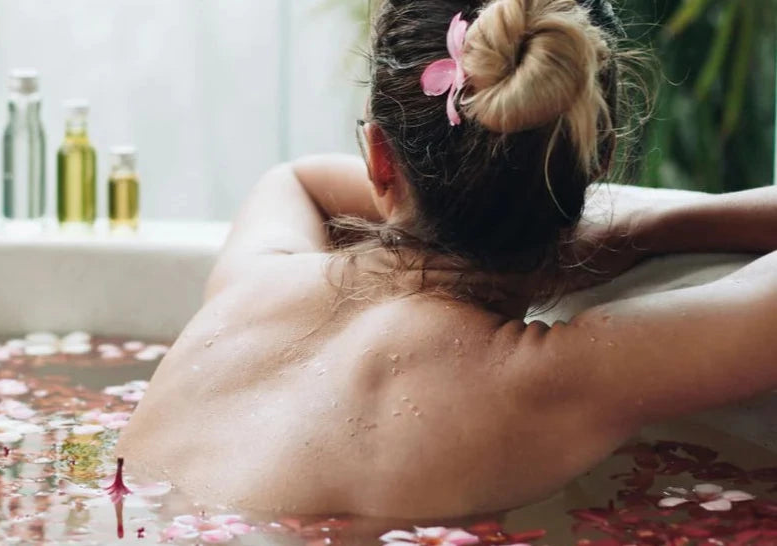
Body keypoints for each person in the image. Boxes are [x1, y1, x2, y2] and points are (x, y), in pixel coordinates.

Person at [117, 0, 777, 519]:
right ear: (598, 162)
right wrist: (660, 223)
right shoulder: (549, 377)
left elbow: (298, 178)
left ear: (379, 159)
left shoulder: (254, 282)